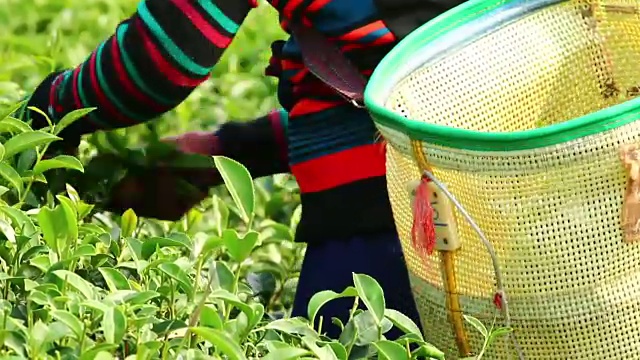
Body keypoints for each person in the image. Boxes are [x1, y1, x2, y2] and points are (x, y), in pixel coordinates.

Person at [19, 0, 448, 339]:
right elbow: (404, 70)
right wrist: (233, 151)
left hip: (387, 222)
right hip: (502, 196)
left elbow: (162, 59)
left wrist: (46, 111)